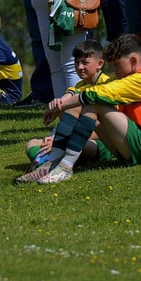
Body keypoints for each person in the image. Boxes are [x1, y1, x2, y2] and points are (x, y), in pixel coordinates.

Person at [29, 34, 141, 184]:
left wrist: (61, 105)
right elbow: (82, 89)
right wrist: (63, 101)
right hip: (132, 147)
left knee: (94, 103)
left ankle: (64, 166)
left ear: (133, 61)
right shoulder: (128, 77)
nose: (114, 69)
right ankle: (52, 162)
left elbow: (96, 93)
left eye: (117, 64)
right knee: (32, 145)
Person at [16, 39, 109, 183]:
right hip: (76, 138)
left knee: (65, 140)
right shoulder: (80, 85)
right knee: (32, 144)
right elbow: (69, 96)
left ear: (99, 64)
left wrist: (58, 140)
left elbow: (103, 129)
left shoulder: (107, 86)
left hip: (101, 143)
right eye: (76, 62)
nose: (79, 67)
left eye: (85, 63)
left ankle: (57, 166)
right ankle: (47, 166)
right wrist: (56, 109)